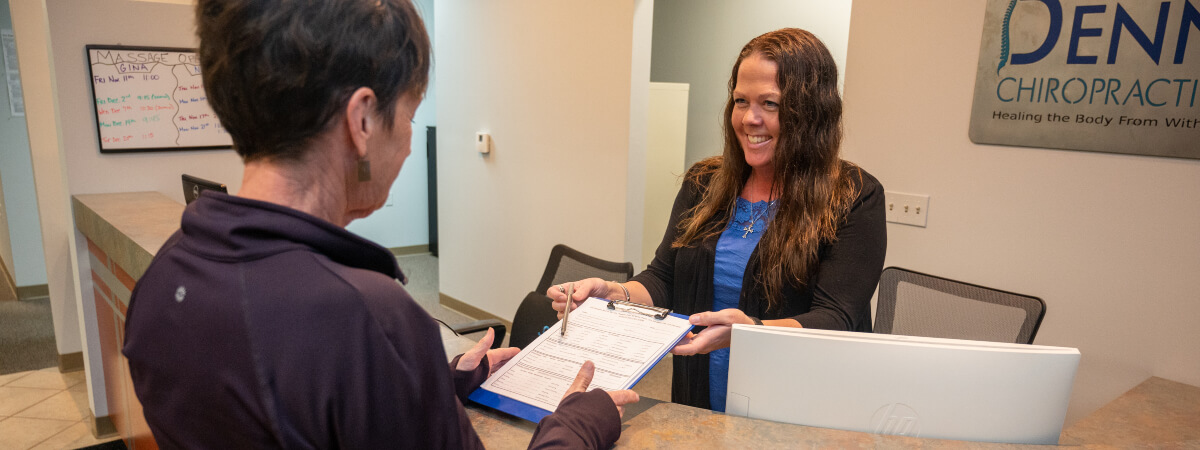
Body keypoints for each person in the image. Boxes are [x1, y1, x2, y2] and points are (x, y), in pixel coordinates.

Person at [122, 0, 637, 448]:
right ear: (362, 120)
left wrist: (423, 384)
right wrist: (576, 426)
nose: (411, 142)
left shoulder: (165, 277)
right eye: (410, 115)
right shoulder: (367, 319)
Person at [549, 28, 886, 412]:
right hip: (700, 396)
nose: (749, 118)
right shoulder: (704, 182)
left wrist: (748, 333)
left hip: (796, 403)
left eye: (770, 104)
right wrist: (613, 293)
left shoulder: (854, 195)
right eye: (740, 101)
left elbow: (836, 320)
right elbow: (664, 279)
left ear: (811, 112)